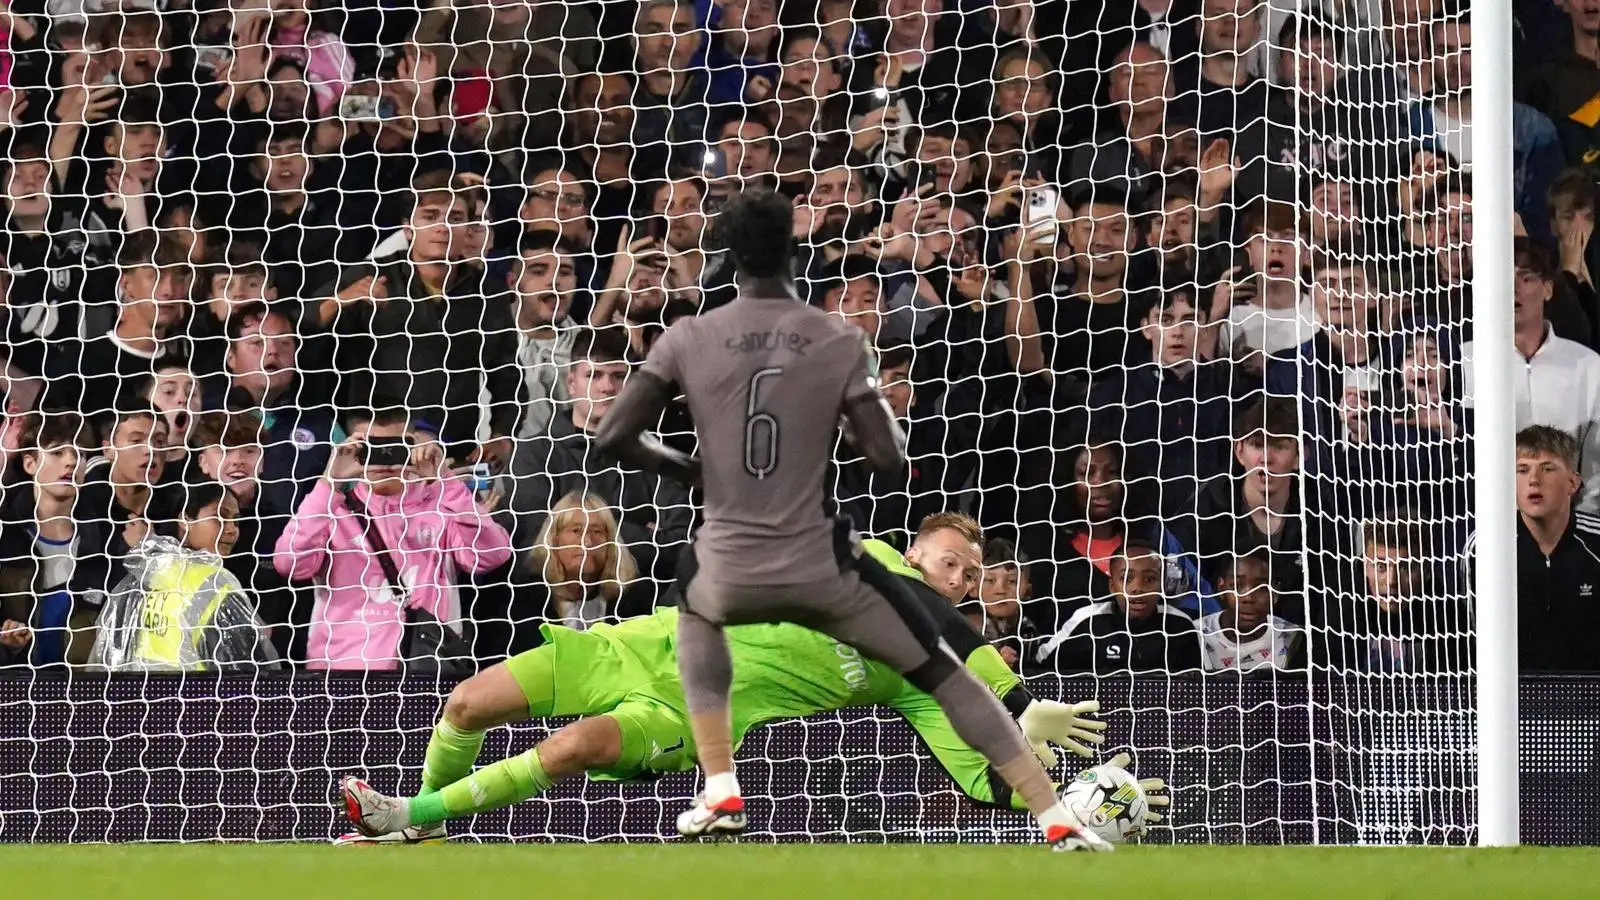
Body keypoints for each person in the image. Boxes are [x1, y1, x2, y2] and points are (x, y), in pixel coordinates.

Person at [590, 189, 1107, 850]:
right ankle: (1053, 814)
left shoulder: (688, 335)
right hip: (819, 551)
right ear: (792, 255)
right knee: (941, 671)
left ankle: (720, 784)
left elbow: (610, 438)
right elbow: (888, 460)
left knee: (697, 612)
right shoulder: (833, 336)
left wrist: (695, 472)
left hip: (730, 550)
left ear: (731, 259)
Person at [337, 538, 1121, 844]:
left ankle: (409, 817)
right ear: (914, 549)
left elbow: (981, 766)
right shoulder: (867, 554)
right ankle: (421, 829)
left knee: (573, 748)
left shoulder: (926, 668)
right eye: (950, 559)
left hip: (688, 710)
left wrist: (1086, 795)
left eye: (970, 576)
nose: (956, 578)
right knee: (468, 702)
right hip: (641, 643)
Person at [272, 408, 514, 671]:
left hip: (424, 673)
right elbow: (290, 564)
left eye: (395, 445)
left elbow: (493, 555)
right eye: (371, 447)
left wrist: (445, 481)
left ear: (412, 445)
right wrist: (329, 482)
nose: (384, 458)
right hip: (340, 676)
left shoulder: (441, 506)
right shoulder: (330, 510)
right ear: (351, 447)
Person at [1034, 540, 1205, 675]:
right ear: (1112, 586)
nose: (1137, 588)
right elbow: (1041, 667)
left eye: (1149, 579)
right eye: (1126, 578)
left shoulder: (1181, 626)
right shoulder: (1086, 622)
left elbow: (1199, 687)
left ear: (1162, 585)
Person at [1509, 425, 1600, 671]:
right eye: (1522, 470)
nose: (1534, 480)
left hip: (1590, 699)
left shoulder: (1596, 544)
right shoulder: (1487, 549)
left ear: (1573, 482)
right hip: (1513, 701)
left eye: (1547, 469)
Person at [1197, 550, 1304, 674]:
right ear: (1221, 587)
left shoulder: (1293, 638)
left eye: (1261, 588)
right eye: (1237, 586)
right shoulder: (1195, 633)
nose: (1248, 598)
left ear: (1275, 592)